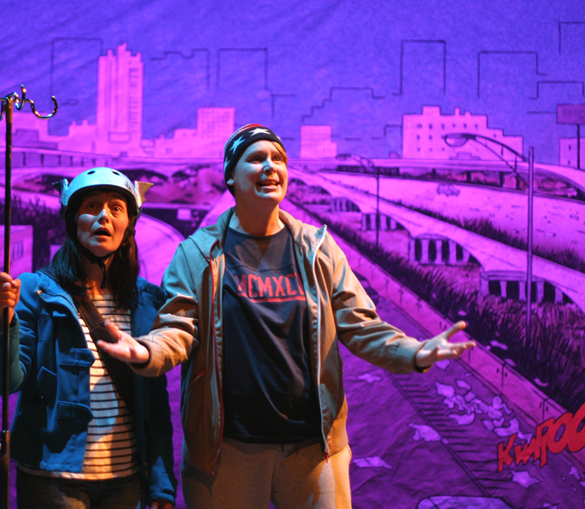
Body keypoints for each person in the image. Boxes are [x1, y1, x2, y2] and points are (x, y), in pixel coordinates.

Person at [97, 125, 476, 509]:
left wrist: (414, 352)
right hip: (227, 451)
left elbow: (362, 326)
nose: (270, 167)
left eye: (278, 159)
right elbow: (177, 329)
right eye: (256, 158)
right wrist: (146, 353)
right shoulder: (197, 253)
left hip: (314, 450)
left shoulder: (317, 248)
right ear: (231, 176)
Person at [0, 167, 177, 509]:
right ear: (73, 220)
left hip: (126, 479)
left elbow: (155, 404)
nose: (104, 216)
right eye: (92, 206)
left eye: (116, 208)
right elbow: (5, 381)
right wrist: (3, 321)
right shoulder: (35, 291)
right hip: (52, 479)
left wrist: (161, 484)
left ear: (129, 224)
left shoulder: (147, 300)